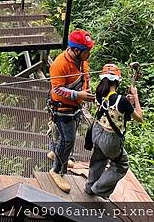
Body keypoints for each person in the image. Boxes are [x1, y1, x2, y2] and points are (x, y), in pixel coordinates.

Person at [85, 63, 143, 199]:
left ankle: (89, 186)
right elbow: (139, 118)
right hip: (110, 139)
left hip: (97, 131)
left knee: (98, 159)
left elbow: (116, 111)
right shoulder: (121, 101)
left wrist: (128, 103)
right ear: (117, 82)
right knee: (121, 164)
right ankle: (98, 189)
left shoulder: (99, 94)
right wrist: (135, 97)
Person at [48, 28, 95, 193]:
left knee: (63, 137)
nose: (89, 53)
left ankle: (55, 152)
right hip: (62, 108)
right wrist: (78, 94)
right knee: (68, 140)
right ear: (76, 50)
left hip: (75, 106)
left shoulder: (82, 61)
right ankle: (57, 171)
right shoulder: (60, 64)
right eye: (87, 51)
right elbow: (57, 89)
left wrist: (86, 92)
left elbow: (85, 78)